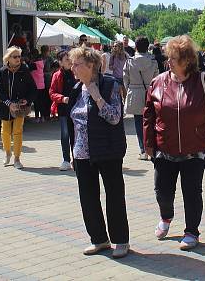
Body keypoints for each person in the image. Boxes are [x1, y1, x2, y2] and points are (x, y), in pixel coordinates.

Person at [144, 35, 205, 251]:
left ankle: (191, 231)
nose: (168, 61)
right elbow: (148, 114)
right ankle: (166, 217)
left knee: (192, 192)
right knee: (162, 191)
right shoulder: (158, 82)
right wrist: (148, 144)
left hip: (194, 149)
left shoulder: (204, 81)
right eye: (168, 57)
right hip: (164, 148)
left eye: (173, 58)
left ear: (187, 60)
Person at [67, 46, 129, 258]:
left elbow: (115, 117)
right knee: (88, 198)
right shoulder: (76, 88)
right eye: (72, 64)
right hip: (83, 154)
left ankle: (121, 240)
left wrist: (97, 98)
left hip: (107, 151)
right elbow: (74, 124)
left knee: (114, 196)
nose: (72, 68)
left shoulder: (109, 84)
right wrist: (73, 153)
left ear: (91, 65)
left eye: (77, 64)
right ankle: (99, 239)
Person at [0, 46, 37, 170]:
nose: (18, 59)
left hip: (20, 107)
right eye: (15, 57)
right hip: (6, 106)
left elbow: (33, 89)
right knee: (5, 131)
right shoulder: (3, 71)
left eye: (19, 56)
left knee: (17, 131)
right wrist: (9, 103)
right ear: (8, 58)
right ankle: (7, 152)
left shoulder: (25, 70)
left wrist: (28, 100)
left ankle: (17, 158)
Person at [124, 36, 159, 161]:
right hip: (150, 93)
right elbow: (157, 79)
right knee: (152, 122)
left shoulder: (130, 61)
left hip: (135, 93)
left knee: (138, 123)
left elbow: (125, 79)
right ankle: (152, 148)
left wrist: (131, 89)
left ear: (136, 47)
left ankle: (143, 150)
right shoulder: (153, 61)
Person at [50, 51, 76, 171]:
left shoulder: (77, 72)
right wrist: (62, 98)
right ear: (60, 62)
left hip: (77, 109)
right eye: (67, 59)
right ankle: (66, 160)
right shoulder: (57, 75)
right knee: (65, 135)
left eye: (70, 58)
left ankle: (77, 159)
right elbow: (52, 93)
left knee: (76, 134)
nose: (70, 61)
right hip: (63, 109)